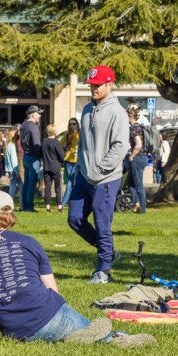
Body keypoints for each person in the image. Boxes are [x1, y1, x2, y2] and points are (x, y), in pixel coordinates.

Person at [0, 189, 154, 347]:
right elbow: (52, 290)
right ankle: (117, 339)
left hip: (12, 329)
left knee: (82, 329)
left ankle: (79, 335)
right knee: (98, 333)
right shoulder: (29, 242)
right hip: (47, 312)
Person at [67, 65, 129, 284]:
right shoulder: (86, 110)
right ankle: (108, 251)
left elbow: (121, 145)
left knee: (103, 224)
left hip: (106, 177)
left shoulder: (117, 112)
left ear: (109, 84)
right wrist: (81, 168)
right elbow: (83, 142)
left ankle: (103, 270)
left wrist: (102, 167)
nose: (92, 88)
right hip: (84, 175)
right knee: (74, 218)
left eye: (97, 85)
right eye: (91, 85)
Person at [124, 104, 148, 214]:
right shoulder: (139, 126)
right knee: (130, 184)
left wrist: (131, 156)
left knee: (138, 185)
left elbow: (138, 145)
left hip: (137, 158)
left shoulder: (135, 128)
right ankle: (137, 204)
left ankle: (142, 209)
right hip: (140, 158)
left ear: (130, 116)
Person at [19, 105, 43, 212]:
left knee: (26, 183)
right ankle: (29, 207)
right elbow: (37, 143)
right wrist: (41, 157)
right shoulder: (33, 126)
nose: (40, 116)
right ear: (33, 115)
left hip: (26, 156)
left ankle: (24, 205)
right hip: (33, 157)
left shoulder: (23, 125)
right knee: (31, 184)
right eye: (38, 114)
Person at [40, 124, 65, 212]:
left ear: (47, 131)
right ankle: (59, 206)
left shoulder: (43, 141)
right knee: (58, 188)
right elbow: (61, 155)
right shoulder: (56, 142)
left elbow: (41, 154)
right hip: (56, 167)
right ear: (55, 131)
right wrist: (63, 162)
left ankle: (47, 207)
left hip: (46, 167)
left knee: (47, 187)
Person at [59, 118, 80, 208]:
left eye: (74, 123)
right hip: (68, 161)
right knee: (70, 182)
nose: (72, 125)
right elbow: (59, 144)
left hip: (78, 161)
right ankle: (63, 204)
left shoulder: (80, 134)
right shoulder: (67, 135)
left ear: (77, 124)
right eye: (70, 124)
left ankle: (67, 202)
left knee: (73, 182)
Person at [4, 128, 22, 200]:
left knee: (12, 185)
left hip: (11, 169)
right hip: (15, 169)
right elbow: (14, 160)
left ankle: (10, 201)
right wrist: (17, 171)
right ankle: (22, 204)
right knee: (21, 186)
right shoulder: (13, 146)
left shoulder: (8, 145)